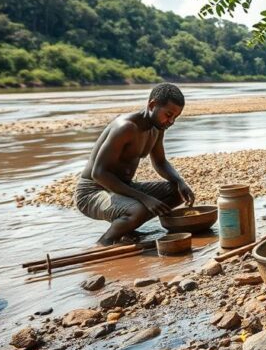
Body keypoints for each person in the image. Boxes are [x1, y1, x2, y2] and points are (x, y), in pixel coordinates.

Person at [75, 83, 195, 244]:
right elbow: (98, 174)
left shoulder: (158, 127)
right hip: (92, 192)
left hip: (122, 188)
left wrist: (179, 181)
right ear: (152, 105)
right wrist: (145, 198)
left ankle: (127, 227)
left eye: (175, 117)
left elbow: (160, 162)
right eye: (168, 115)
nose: (171, 121)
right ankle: (105, 242)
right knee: (136, 209)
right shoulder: (125, 127)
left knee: (177, 191)